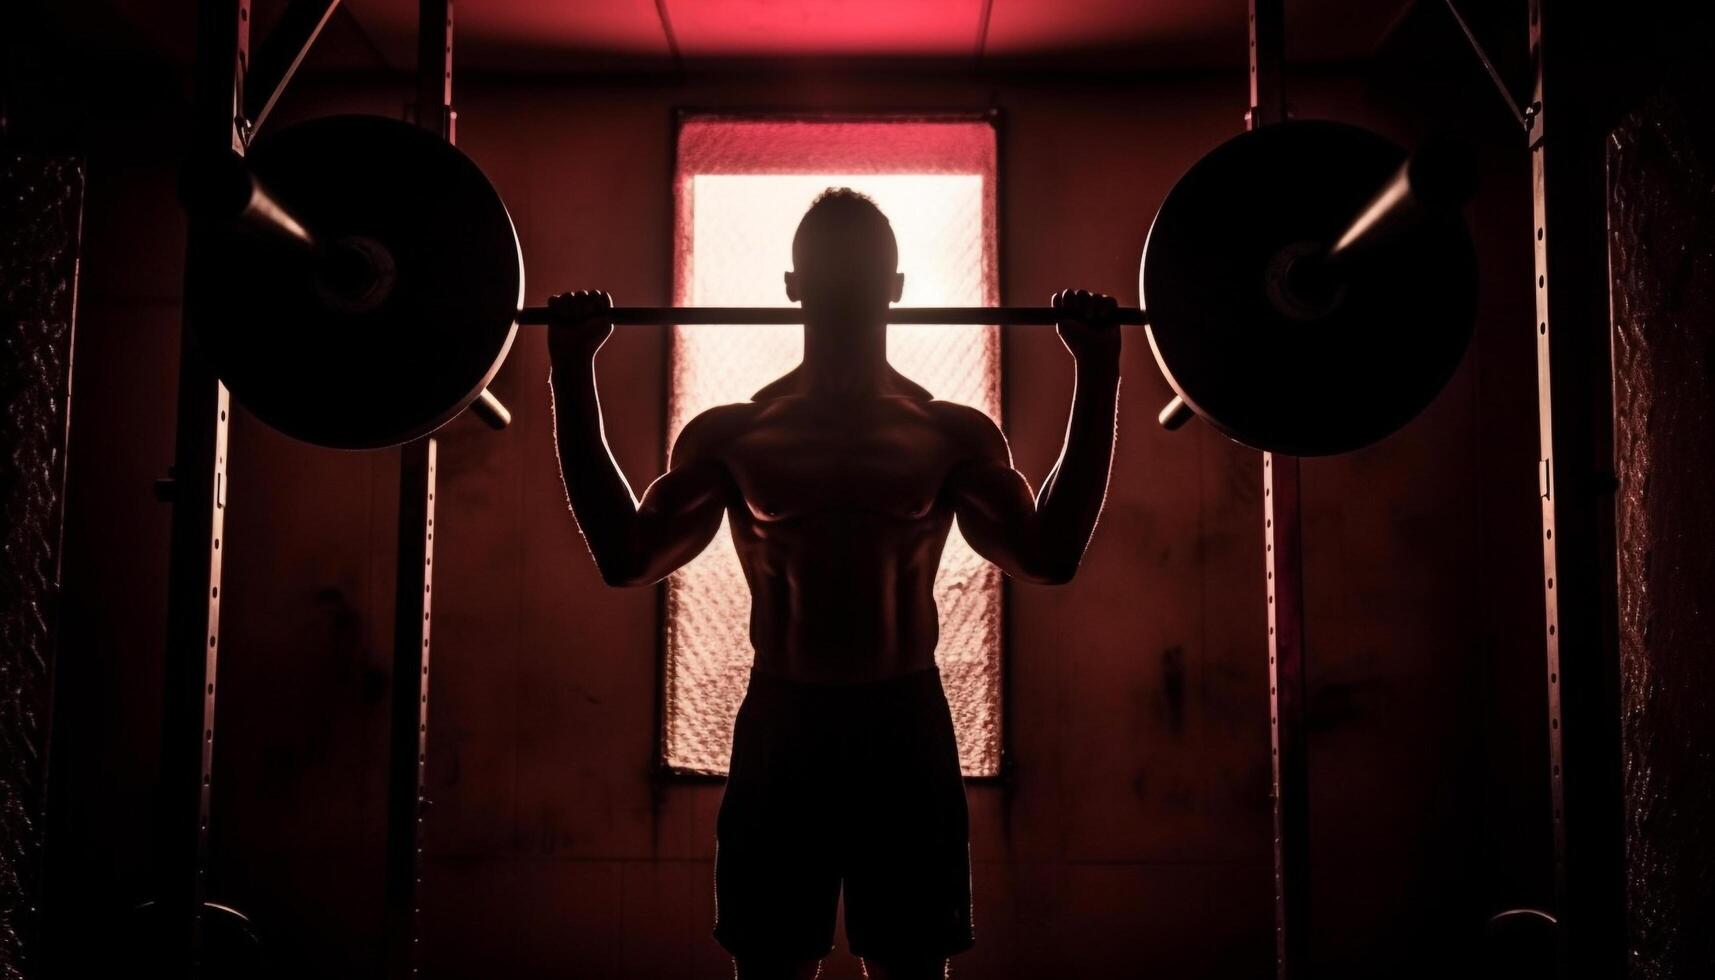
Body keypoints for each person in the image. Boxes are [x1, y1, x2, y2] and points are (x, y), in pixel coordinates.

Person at [547, 188, 1121, 980]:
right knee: (771, 965)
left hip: (904, 725)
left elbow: (1049, 556)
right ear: (793, 285)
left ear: (894, 286)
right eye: (829, 273)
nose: (847, 289)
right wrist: (570, 372)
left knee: (911, 967)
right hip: (784, 725)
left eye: (863, 273)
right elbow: (625, 557)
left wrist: (1098, 373)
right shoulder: (736, 433)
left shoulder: (948, 433)